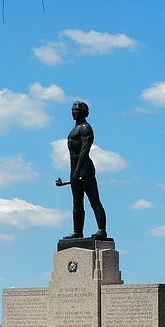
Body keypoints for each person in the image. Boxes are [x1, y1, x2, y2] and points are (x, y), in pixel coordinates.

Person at [63, 101, 107, 239]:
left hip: (84, 168)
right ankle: (77, 231)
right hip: (73, 167)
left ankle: (102, 230)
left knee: (94, 200)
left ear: (83, 112)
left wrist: (79, 171)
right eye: (72, 110)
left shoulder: (85, 128)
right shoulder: (73, 129)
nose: (73, 112)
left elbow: (85, 149)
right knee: (77, 202)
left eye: (76, 110)